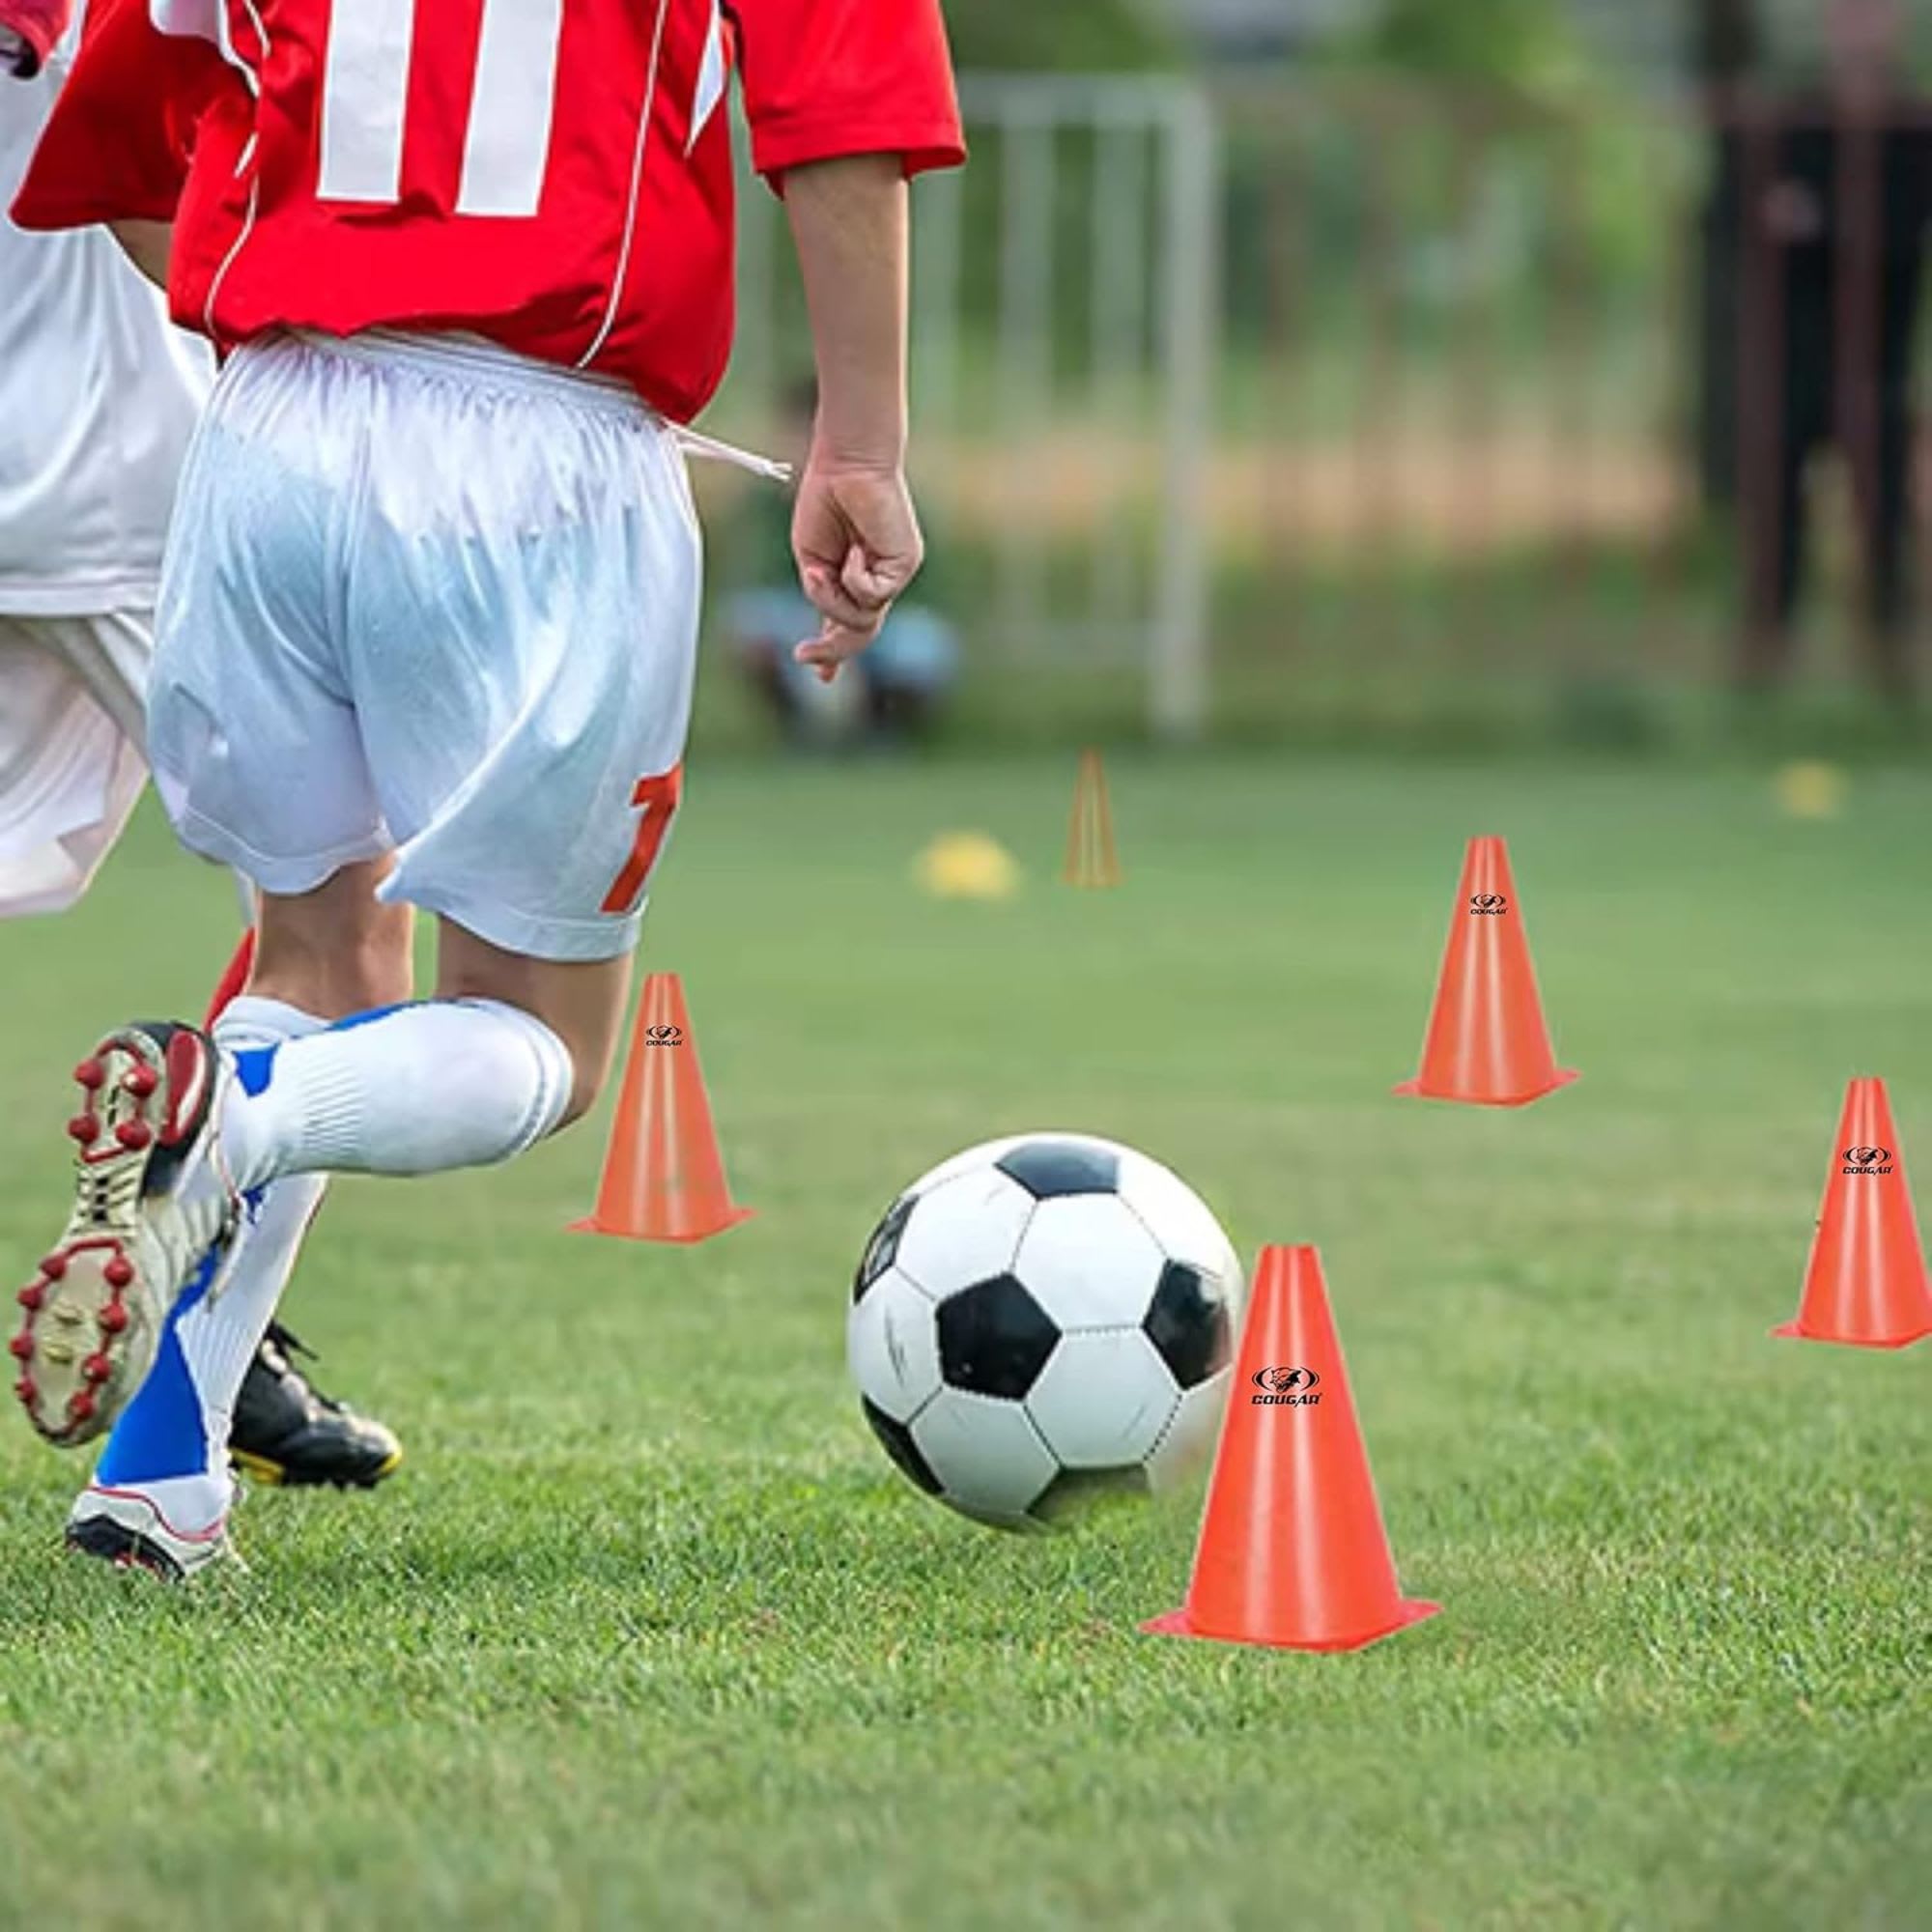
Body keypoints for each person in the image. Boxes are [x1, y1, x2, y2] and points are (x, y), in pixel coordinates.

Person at [9, 0, 964, 1579]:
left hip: (267, 429)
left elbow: (118, 143)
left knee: (317, 959)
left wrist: (301, 301)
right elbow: (842, 101)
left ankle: (157, 1482)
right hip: (539, 451)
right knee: (545, 1039)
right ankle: (235, 1114)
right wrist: (858, 436)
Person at [0, 0, 400, 1506]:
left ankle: (214, 1316)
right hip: (106, 488)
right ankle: (191, 1378)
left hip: (78, 476)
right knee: (348, 929)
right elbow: (119, 145)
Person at [1697, 0, 1929, 699]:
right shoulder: (1795, 120)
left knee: (1885, 515)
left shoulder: (1914, 127)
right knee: (1775, 515)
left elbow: (1896, 233)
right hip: (1795, 355)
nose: (1860, 25)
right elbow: (1743, 210)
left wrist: (1819, 224)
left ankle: (1892, 673)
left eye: (1874, 12)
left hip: (1879, 358)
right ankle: (1762, 670)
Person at [727, 380, 960, 746]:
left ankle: (881, 729)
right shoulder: (767, 505)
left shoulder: (887, 500)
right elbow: (762, 578)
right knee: (755, 624)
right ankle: (803, 727)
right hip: (802, 617)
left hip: (885, 617)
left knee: (919, 644)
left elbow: (921, 582)